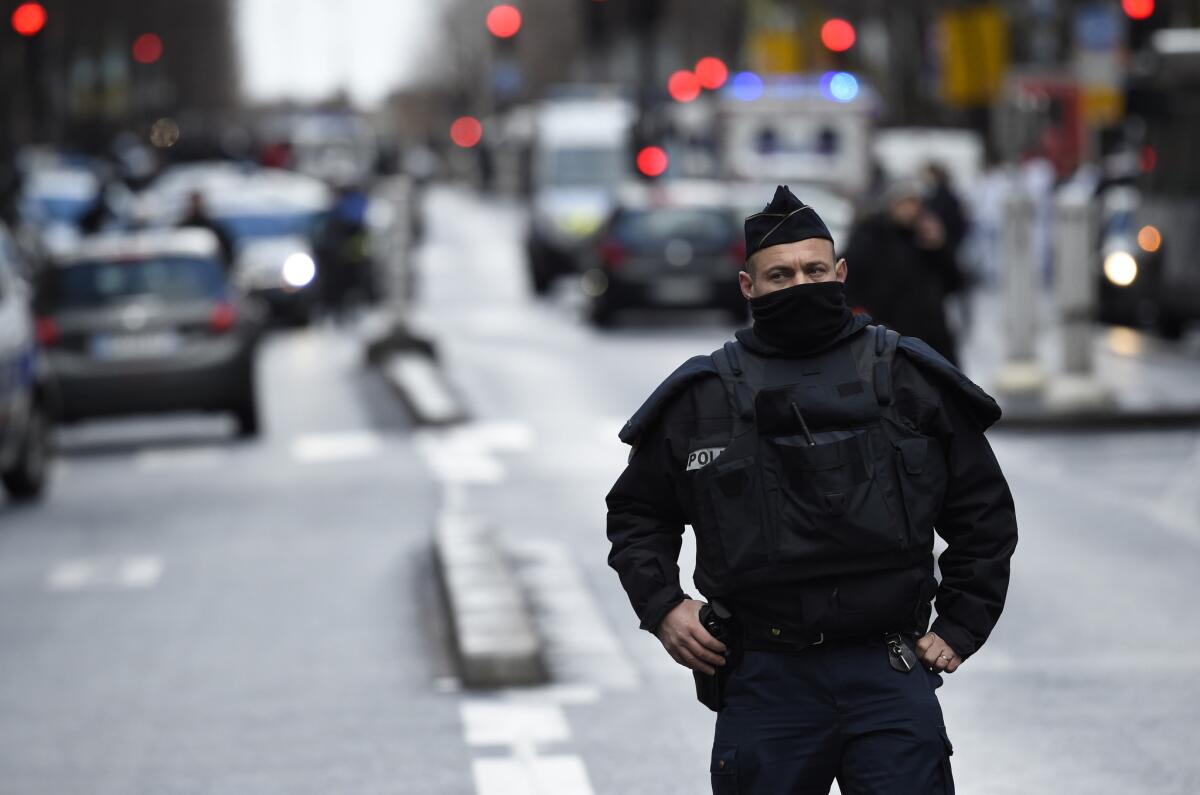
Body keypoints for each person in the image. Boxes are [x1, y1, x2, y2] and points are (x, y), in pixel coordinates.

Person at [606, 185, 1017, 795]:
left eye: (814, 270)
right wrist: (664, 605)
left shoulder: (905, 378)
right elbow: (637, 513)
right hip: (765, 678)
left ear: (840, 273)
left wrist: (961, 625)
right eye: (780, 275)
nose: (800, 284)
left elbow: (981, 508)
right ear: (748, 287)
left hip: (887, 671)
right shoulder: (705, 398)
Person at [844, 180, 965, 365]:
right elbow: (850, 284)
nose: (909, 209)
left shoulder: (925, 238)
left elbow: (955, 282)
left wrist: (939, 249)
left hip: (933, 340)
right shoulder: (871, 236)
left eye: (914, 203)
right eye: (903, 202)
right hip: (890, 341)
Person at [178, 191, 235, 268]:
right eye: (194, 202)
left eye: (198, 202)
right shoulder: (182, 227)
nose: (196, 206)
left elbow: (228, 251)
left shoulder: (213, 227)